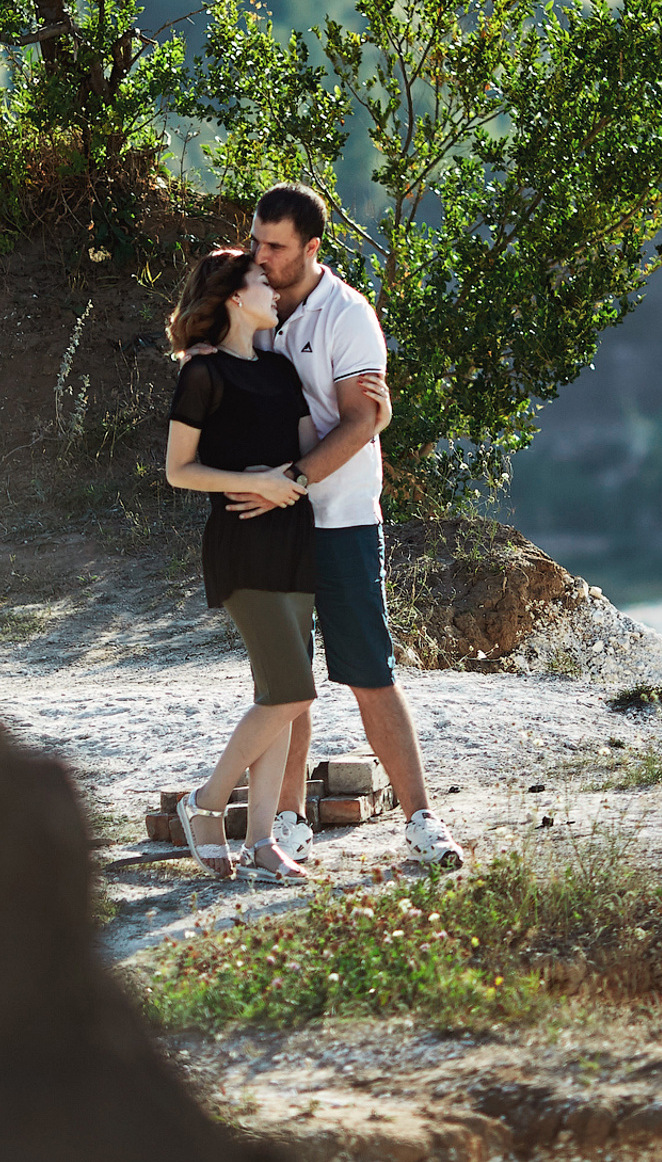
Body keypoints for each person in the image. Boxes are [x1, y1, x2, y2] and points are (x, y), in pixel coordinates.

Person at [219, 183, 466, 871]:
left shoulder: (347, 314)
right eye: (256, 239)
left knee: (368, 673)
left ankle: (421, 821)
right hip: (272, 529)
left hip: (341, 519)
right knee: (286, 687)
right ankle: (289, 823)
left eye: (276, 246)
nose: (260, 255)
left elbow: (361, 421)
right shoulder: (250, 299)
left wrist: (289, 483)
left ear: (312, 248)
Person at [159, 246, 378, 881]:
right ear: (233, 296)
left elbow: (310, 451)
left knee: (276, 696)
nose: (273, 290)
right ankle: (204, 804)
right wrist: (251, 480)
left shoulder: (282, 372)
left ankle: (260, 843)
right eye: (261, 281)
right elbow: (179, 471)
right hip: (241, 544)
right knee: (292, 691)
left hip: (293, 540)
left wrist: (372, 422)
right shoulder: (203, 375)